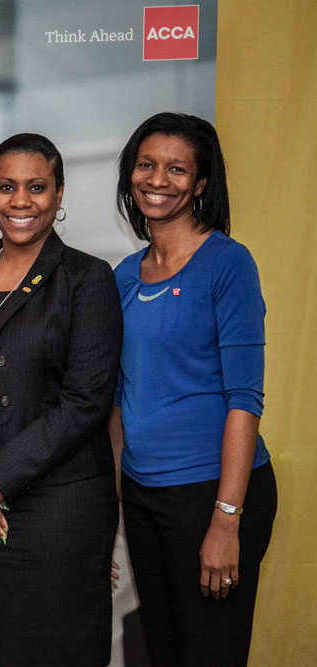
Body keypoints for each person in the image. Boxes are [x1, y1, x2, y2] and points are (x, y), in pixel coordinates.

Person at [0, 133, 122, 665]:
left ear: (59, 194)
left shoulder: (86, 278)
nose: (21, 201)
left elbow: (87, 400)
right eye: (7, 187)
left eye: (37, 187)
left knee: (58, 651)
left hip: (58, 509)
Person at [111, 112, 277, 666]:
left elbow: (244, 399)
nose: (157, 180)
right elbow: (118, 398)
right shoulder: (123, 276)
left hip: (211, 494)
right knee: (163, 653)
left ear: (201, 183)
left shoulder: (228, 264)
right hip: (144, 495)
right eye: (146, 165)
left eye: (177, 169)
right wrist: (120, 497)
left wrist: (226, 520)